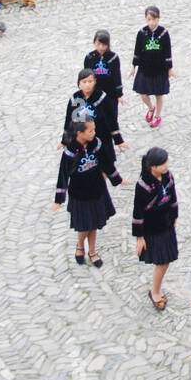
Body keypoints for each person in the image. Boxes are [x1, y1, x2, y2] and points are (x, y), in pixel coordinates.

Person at [51, 113, 123, 267]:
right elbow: (63, 175)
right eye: (90, 131)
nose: (94, 133)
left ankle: (92, 251)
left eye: (94, 130)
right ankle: (79, 246)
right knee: (84, 224)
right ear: (79, 133)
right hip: (80, 193)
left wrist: (117, 179)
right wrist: (59, 199)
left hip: (96, 189)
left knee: (94, 223)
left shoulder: (96, 143)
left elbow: (106, 162)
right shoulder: (70, 152)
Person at [133, 147, 178, 311]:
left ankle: (156, 289)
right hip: (152, 227)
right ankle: (155, 291)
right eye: (163, 163)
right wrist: (139, 236)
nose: (166, 166)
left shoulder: (168, 176)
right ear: (153, 166)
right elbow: (138, 211)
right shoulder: (143, 185)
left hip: (166, 222)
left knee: (165, 261)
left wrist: (174, 217)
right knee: (163, 261)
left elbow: (173, 198)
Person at [130, 5, 174, 128]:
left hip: (159, 69)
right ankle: (150, 108)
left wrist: (169, 68)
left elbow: (167, 52)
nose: (151, 22)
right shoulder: (142, 33)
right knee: (143, 94)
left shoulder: (164, 33)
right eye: (149, 19)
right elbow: (137, 50)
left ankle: (157, 115)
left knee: (158, 94)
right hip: (145, 68)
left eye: (154, 19)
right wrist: (134, 66)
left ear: (158, 19)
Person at [84, 30, 126, 150]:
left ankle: (114, 139)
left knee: (111, 116)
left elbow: (117, 76)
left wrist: (119, 94)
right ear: (94, 43)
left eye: (104, 44)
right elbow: (86, 76)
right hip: (95, 93)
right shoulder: (89, 58)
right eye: (98, 44)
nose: (101, 47)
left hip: (110, 94)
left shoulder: (113, 57)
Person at [61, 68, 106, 147]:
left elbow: (111, 120)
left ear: (95, 81)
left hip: (98, 135)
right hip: (80, 137)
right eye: (84, 82)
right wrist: (65, 140)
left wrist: (118, 139)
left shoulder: (101, 97)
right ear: (79, 83)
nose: (87, 85)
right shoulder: (75, 98)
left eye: (90, 81)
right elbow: (69, 119)